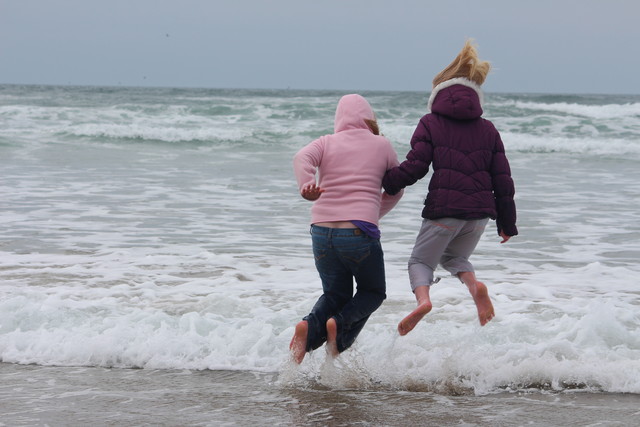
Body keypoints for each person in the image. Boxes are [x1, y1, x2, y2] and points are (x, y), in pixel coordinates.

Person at [382, 40, 518, 336]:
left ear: (438, 94)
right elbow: (503, 180)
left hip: (444, 211)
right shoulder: (488, 128)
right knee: (455, 258)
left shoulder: (431, 122)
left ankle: (423, 301)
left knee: (420, 261)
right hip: (480, 215)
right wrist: (507, 224)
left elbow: (417, 165)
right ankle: (474, 286)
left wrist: (388, 181)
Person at [290, 94, 403, 364]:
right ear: (370, 119)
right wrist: (373, 213)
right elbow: (396, 187)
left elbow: (301, 157)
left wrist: (307, 183)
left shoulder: (325, 142)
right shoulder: (382, 144)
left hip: (321, 230)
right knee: (372, 292)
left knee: (334, 294)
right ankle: (338, 329)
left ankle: (308, 328)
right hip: (358, 232)